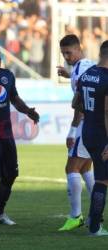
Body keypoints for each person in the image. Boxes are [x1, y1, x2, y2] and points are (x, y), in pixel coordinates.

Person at [0, 43, 39, 229]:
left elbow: (14, 98)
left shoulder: (7, 76)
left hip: (6, 132)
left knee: (11, 173)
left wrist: (27, 110)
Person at [57, 34, 95, 231]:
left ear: (78, 49)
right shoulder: (89, 65)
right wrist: (68, 74)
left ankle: (76, 216)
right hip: (97, 124)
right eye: (63, 53)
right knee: (86, 168)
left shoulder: (80, 71)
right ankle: (96, 214)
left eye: (69, 53)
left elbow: (80, 104)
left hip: (85, 124)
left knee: (71, 168)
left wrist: (72, 131)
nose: (66, 57)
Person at [72, 40, 108, 236]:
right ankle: (94, 226)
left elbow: (75, 103)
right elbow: (107, 112)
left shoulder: (87, 74)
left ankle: (94, 222)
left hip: (88, 131)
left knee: (101, 176)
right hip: (103, 134)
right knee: (103, 180)